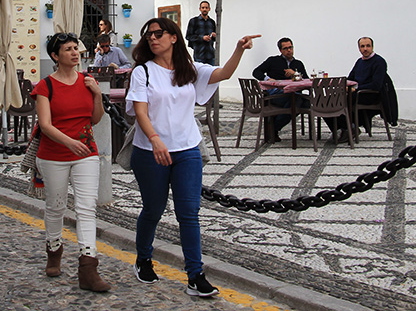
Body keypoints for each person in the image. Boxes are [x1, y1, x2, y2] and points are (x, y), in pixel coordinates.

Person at [127, 16, 258, 297]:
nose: (152, 38)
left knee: (189, 214)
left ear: (174, 37)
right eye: (148, 34)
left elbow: (223, 74)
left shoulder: (190, 69)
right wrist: (155, 140)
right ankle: (143, 259)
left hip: (187, 150)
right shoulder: (142, 72)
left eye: (159, 33)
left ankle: (196, 275)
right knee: (153, 209)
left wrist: (239, 49)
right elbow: (140, 111)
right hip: (151, 152)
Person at [31, 32, 111, 292]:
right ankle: (54, 249)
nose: (75, 53)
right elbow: (45, 124)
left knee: (86, 208)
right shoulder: (46, 86)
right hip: (54, 154)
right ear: (55, 56)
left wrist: (97, 95)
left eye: (76, 48)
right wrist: (69, 142)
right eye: (68, 49)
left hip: (86, 153)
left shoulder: (87, 81)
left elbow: (96, 119)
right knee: (56, 206)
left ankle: (88, 268)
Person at [252, 37, 309, 141]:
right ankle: (273, 128)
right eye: (286, 48)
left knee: (306, 102)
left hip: (294, 94)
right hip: (276, 95)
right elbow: (256, 72)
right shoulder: (273, 61)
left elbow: (306, 80)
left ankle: (273, 128)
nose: (289, 50)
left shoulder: (298, 64)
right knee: (298, 101)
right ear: (280, 50)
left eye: (290, 47)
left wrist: (295, 74)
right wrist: (268, 79)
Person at [347, 36, 398, 136]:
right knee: (333, 100)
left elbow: (376, 85)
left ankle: (349, 128)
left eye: (368, 46)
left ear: (372, 47)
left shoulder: (379, 62)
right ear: (359, 48)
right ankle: (345, 127)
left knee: (344, 100)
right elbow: (351, 78)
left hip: (371, 95)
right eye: (362, 46)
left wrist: (355, 88)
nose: (365, 49)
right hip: (358, 93)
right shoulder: (359, 62)